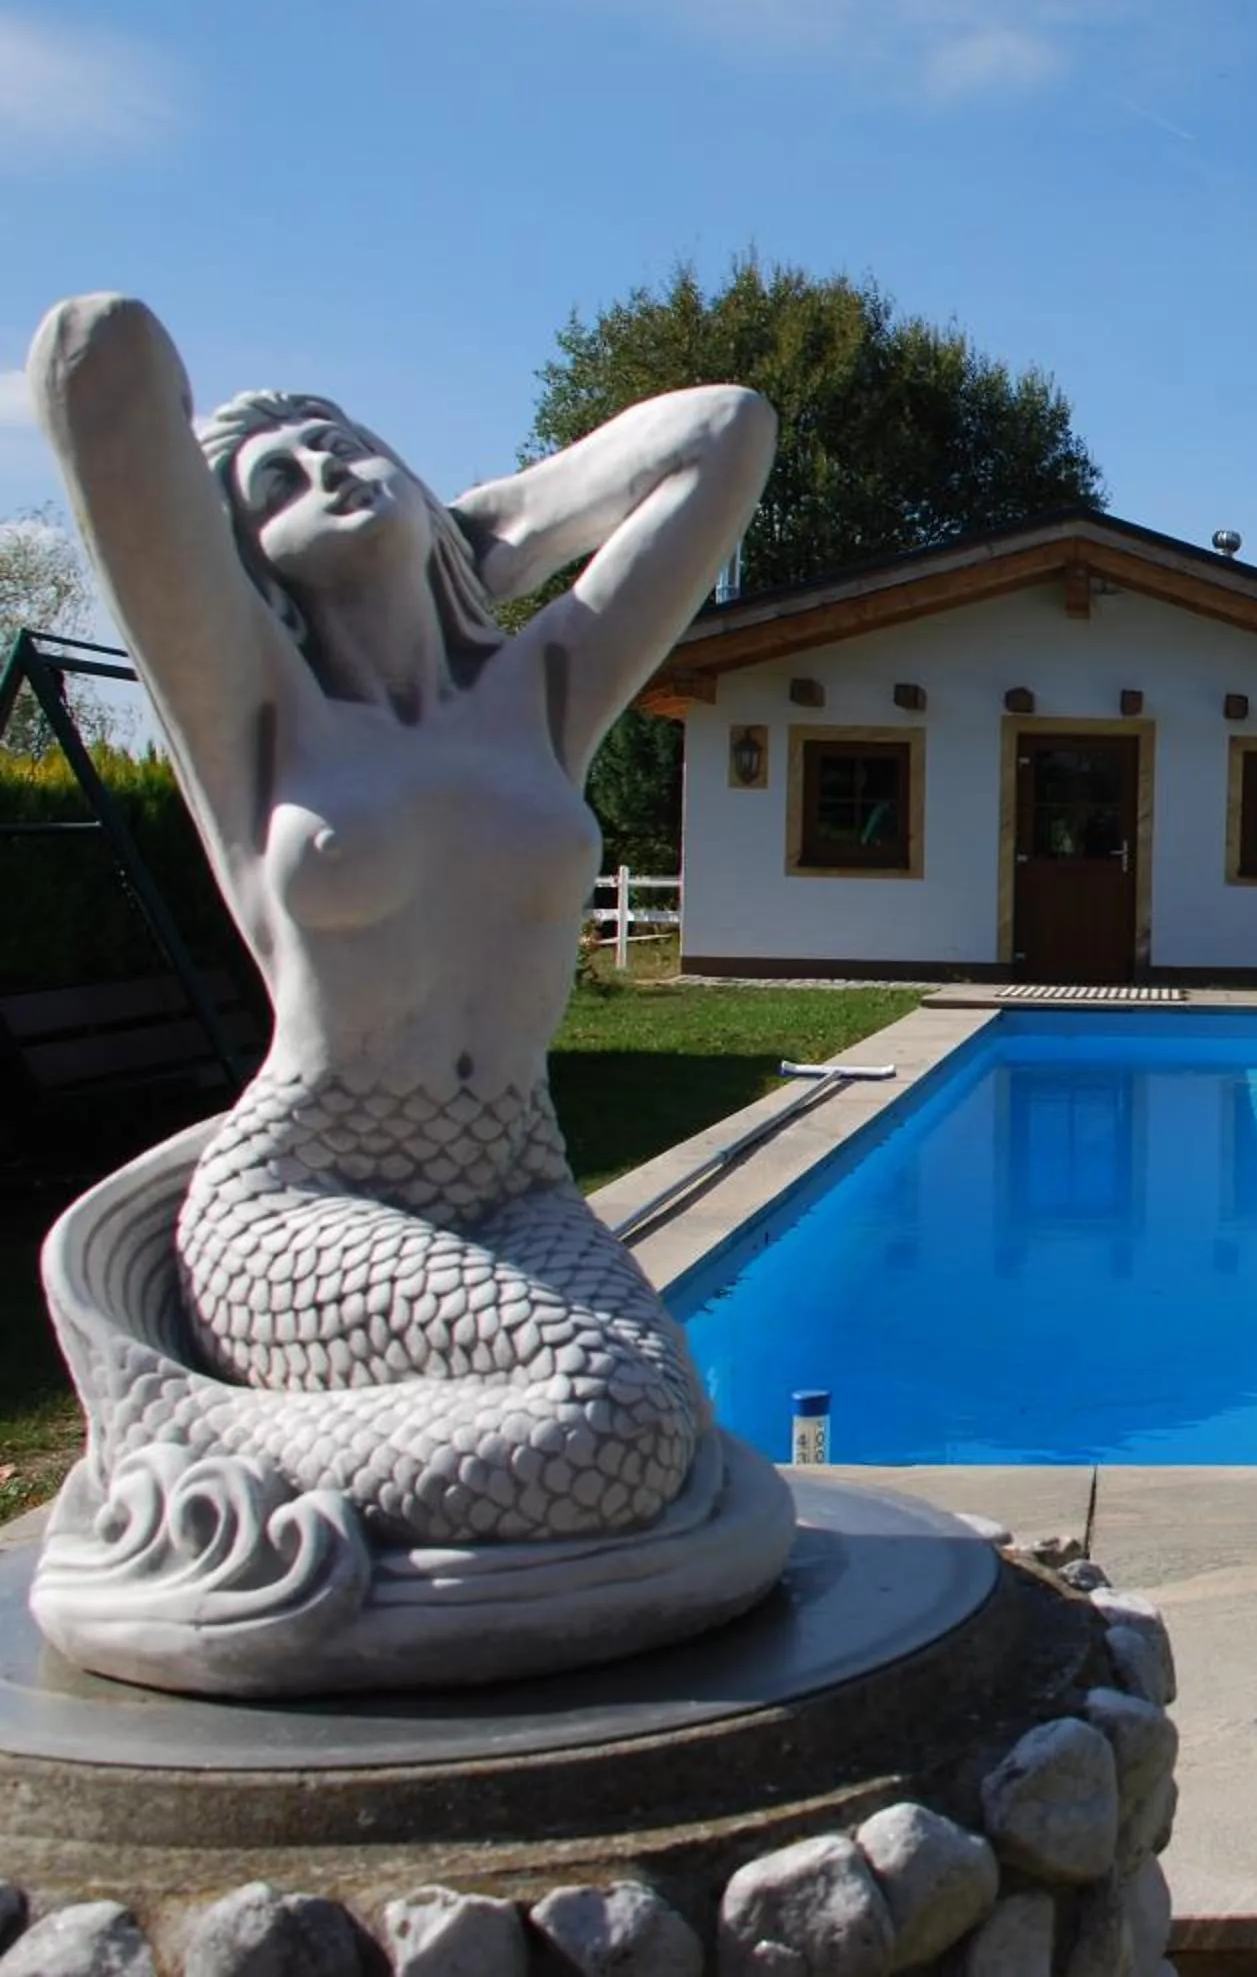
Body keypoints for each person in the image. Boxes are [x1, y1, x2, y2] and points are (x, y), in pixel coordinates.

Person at [27, 295, 776, 1545]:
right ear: (249, 557)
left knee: (663, 1418)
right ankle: (187, 1429)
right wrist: (303, 501)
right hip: (305, 1190)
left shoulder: (545, 691)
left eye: (343, 445)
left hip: (512, 1175)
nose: (324, 469)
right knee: (618, 1429)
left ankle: (229, 1441)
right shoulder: (258, 711)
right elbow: (98, 360)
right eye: (278, 482)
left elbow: (726, 431)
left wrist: (474, 531)